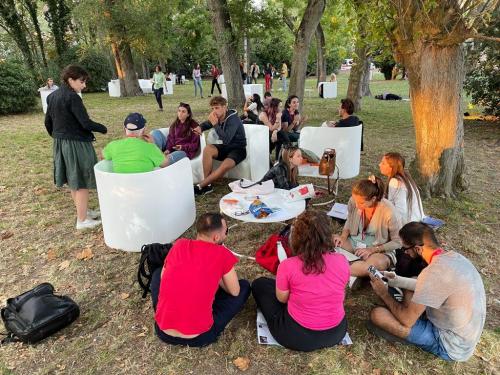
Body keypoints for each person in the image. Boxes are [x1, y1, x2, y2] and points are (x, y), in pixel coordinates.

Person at [368, 222, 486, 362]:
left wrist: (383, 293)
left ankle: (412, 337)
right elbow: (424, 284)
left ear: (417, 249)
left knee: (378, 315)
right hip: (466, 336)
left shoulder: (432, 274)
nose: (404, 252)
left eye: (405, 248)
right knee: (412, 282)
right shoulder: (454, 258)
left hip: (449, 345)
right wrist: (395, 280)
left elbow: (407, 321)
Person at [252, 210, 350, 352]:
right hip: (336, 332)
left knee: (259, 284)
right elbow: (340, 290)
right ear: (328, 235)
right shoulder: (342, 261)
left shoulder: (288, 265)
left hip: (297, 336)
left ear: (296, 238)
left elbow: (282, 299)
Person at [152, 213, 251, 347]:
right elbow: (234, 291)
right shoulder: (222, 254)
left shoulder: (179, 245)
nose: (227, 235)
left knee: (158, 273)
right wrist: (218, 275)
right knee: (244, 287)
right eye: (226, 232)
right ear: (216, 237)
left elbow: (163, 277)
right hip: (200, 336)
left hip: (163, 331)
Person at [44, 65, 107, 230]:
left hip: (61, 142)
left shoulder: (52, 96)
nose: (84, 85)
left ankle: (84, 212)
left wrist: (58, 137)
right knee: (80, 180)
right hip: (76, 143)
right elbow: (85, 123)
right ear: (70, 80)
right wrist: (102, 128)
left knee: (74, 179)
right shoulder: (73, 97)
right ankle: (82, 220)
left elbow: (48, 123)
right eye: (81, 81)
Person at [333, 176, 402, 279]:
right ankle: (355, 271)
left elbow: (398, 242)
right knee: (324, 240)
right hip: (353, 243)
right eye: (355, 201)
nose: (357, 204)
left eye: (361, 203)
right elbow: (349, 219)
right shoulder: (354, 201)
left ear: (373, 199)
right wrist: (343, 237)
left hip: (378, 251)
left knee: (372, 266)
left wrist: (373, 250)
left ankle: (339, 267)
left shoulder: (389, 212)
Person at [192, 96, 247, 195]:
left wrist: (215, 125)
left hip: (238, 149)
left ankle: (201, 185)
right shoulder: (218, 116)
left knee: (225, 165)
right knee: (208, 149)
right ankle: (208, 186)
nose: (214, 111)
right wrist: (200, 127)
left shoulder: (233, 119)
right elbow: (208, 123)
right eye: (212, 108)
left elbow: (226, 139)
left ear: (225, 107)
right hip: (226, 147)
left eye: (217, 108)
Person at [103, 113, 168, 173]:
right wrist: (153, 145)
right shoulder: (149, 147)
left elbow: (103, 157)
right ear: (143, 130)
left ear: (124, 129)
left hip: (121, 184)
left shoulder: (113, 145)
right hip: (145, 183)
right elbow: (166, 164)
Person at [379, 152, 424, 224]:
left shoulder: (395, 182)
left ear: (392, 167)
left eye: (383, 163)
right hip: (417, 219)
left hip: (409, 224)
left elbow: (400, 210)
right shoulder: (405, 176)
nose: (379, 165)